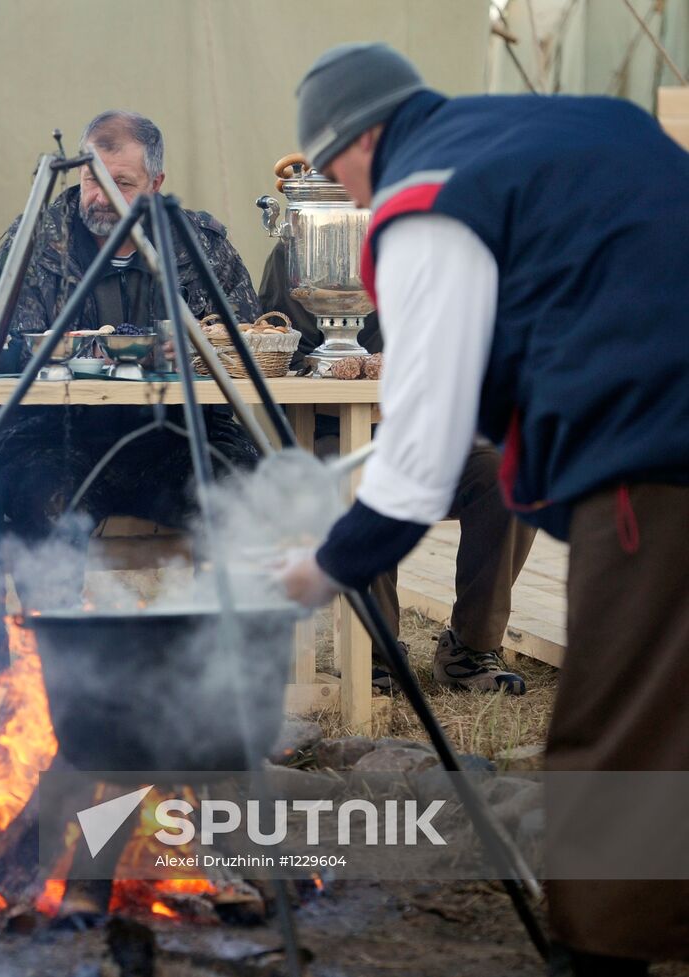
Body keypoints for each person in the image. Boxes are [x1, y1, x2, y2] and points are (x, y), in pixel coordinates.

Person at [277, 44, 689, 975]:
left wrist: (328, 565)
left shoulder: (424, 199)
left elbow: (423, 451)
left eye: (332, 168)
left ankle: (605, 955)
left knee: (617, 724)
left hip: (655, 451)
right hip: (662, 420)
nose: (343, 191)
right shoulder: (574, 123)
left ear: (363, 139)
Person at [0, 110, 262, 663]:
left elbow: (245, 336)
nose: (102, 197)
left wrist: (199, 349)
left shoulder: (199, 245)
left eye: (122, 183)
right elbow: (15, 344)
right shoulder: (35, 242)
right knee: (40, 504)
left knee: (244, 497)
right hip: (60, 436)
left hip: (177, 437)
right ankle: (62, 672)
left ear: (157, 184)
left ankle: (222, 672)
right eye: (92, 179)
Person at [259, 244, 536, 693]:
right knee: (364, 482)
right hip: (331, 427)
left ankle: (471, 650)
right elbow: (279, 346)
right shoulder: (302, 243)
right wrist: (355, 373)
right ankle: (374, 653)